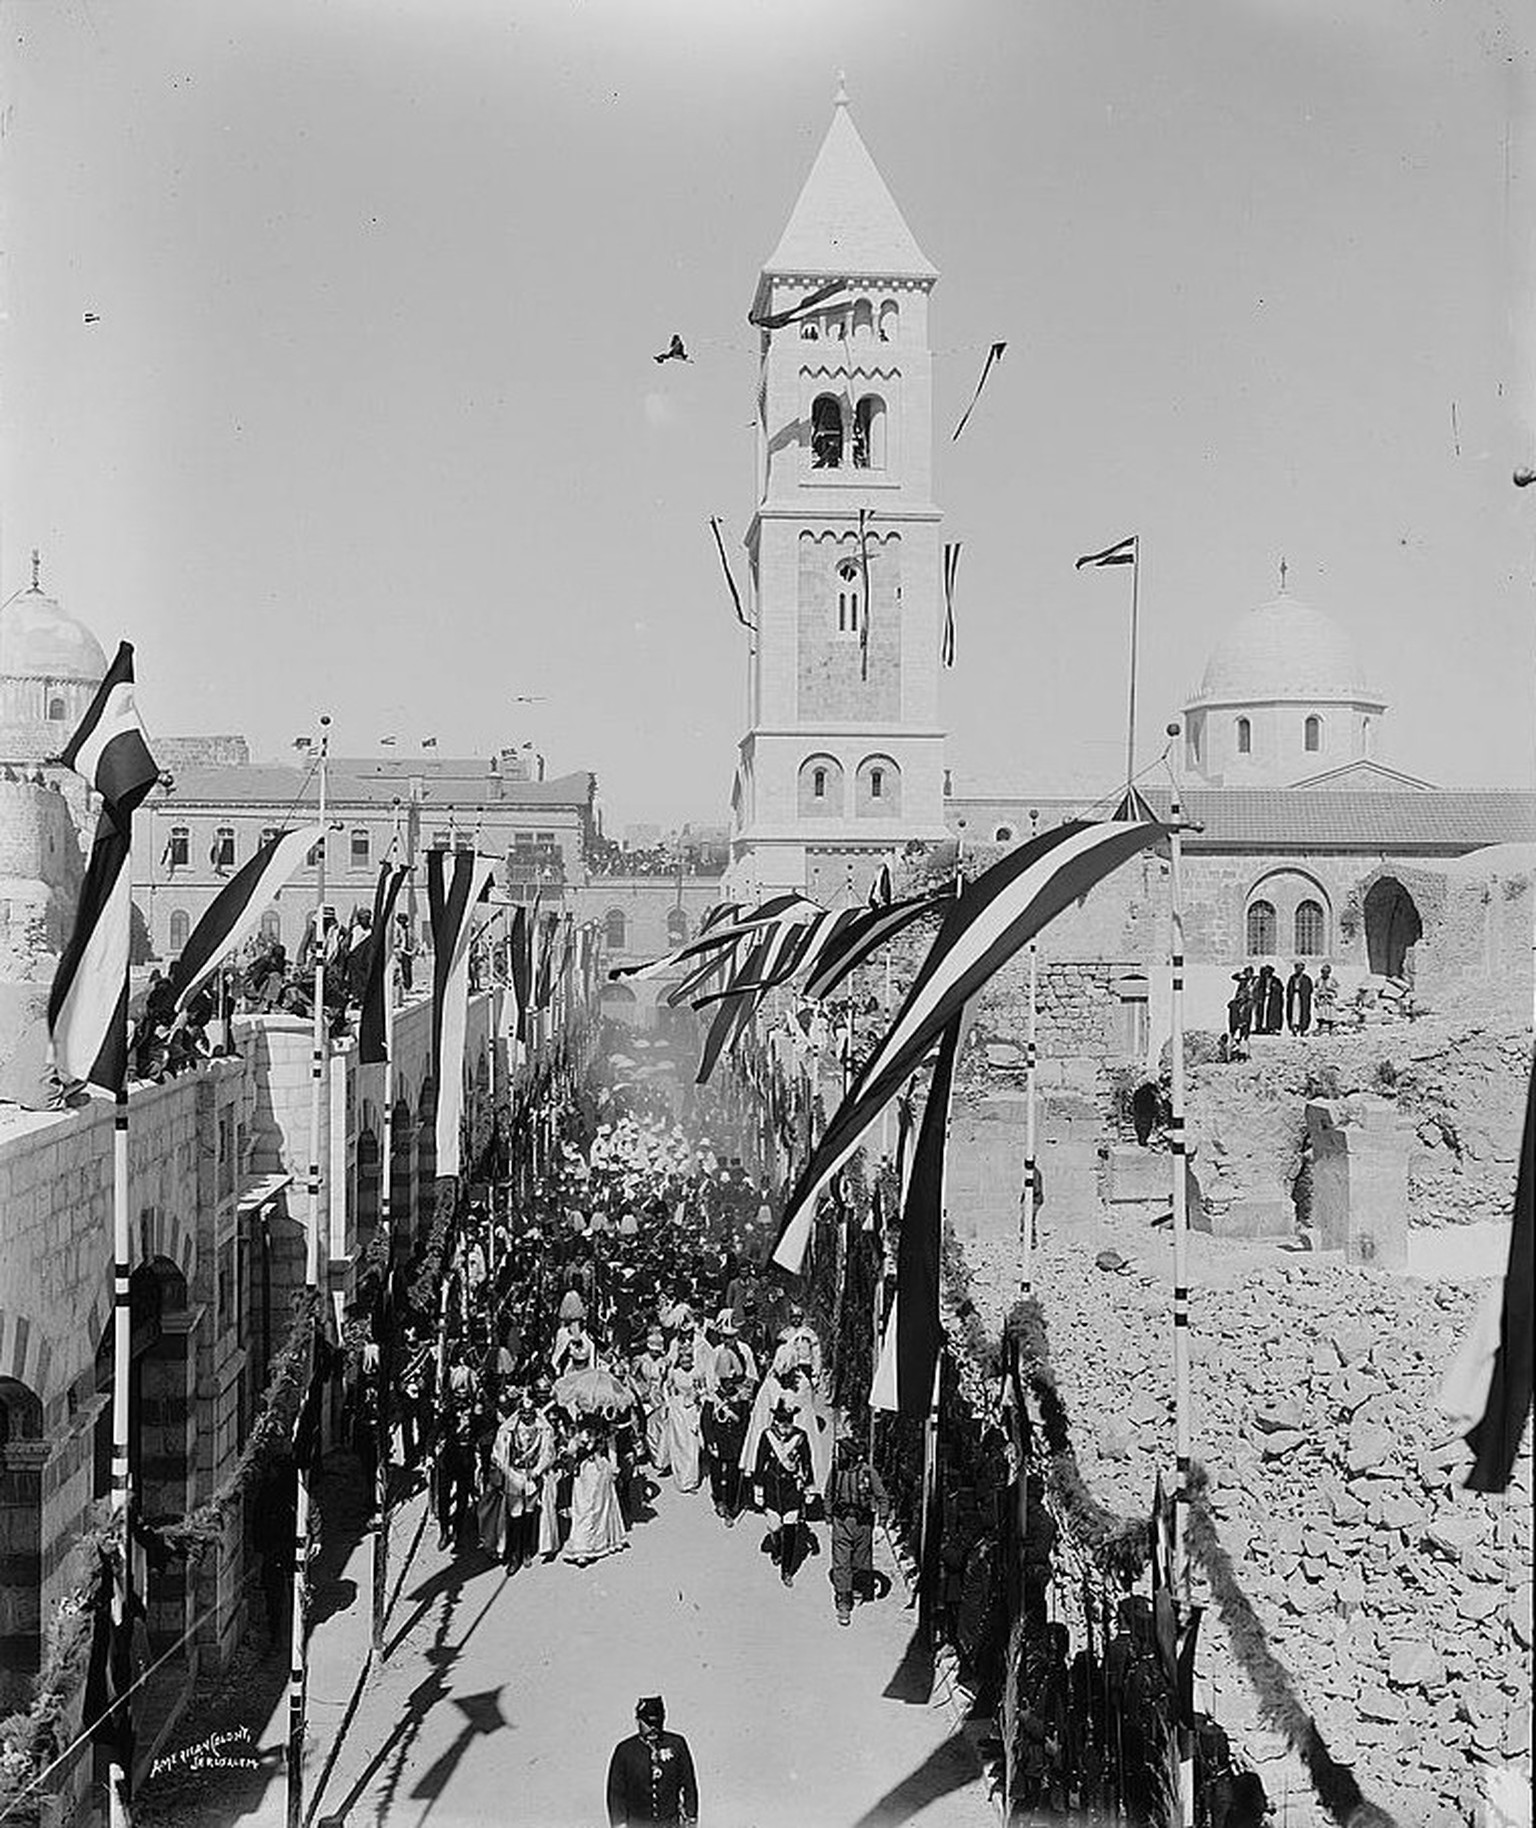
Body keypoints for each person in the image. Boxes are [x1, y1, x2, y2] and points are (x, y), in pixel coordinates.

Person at [826, 1422, 888, 1625]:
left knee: (861, 1561)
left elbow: (882, 1497)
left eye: (842, 1453)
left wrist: (881, 1523)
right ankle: (844, 1600)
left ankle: (859, 1588)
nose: (839, 1456)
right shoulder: (836, 1471)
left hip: (863, 1523)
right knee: (841, 1561)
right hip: (841, 1521)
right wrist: (828, 1517)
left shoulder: (868, 1473)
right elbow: (828, 1494)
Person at [605, 1696, 699, 1828]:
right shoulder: (624, 1751)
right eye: (648, 1724)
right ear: (638, 1720)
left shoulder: (677, 1744)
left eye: (657, 1723)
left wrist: (691, 1817)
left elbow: (689, 1785)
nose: (653, 1728)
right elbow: (616, 1793)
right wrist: (619, 1824)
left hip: (670, 1823)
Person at [753, 1398, 815, 1586]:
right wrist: (758, 1488)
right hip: (772, 1487)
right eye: (782, 1424)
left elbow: (806, 1462)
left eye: (789, 1423)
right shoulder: (767, 1436)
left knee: (790, 1531)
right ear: (776, 1423)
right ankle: (776, 1547)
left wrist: (809, 1487)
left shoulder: (800, 1437)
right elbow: (759, 1462)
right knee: (774, 1527)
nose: (786, 1428)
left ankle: (787, 1570)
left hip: (791, 1489)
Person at [564, 1420, 629, 1566]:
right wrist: (582, 1444)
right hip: (583, 1474)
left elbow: (612, 1449)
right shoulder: (578, 1428)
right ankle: (581, 1548)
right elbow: (571, 1450)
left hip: (600, 1472)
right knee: (583, 1510)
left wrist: (614, 1468)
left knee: (600, 1509)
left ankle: (597, 1544)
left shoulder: (607, 1429)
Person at [1286, 960, 1314, 1036]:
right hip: (1294, 998)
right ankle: (1294, 1028)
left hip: (1303, 998)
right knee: (1293, 1013)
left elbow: (1310, 989)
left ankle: (1303, 1029)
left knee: (1304, 1012)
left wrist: (1304, 994)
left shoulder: (1306, 979)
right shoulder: (1292, 978)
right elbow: (1288, 989)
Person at [1313, 961, 1339, 1034]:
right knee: (1321, 1013)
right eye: (1324, 972)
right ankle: (1320, 1028)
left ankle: (1331, 1028)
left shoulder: (1332, 980)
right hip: (1321, 999)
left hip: (1329, 999)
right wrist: (1317, 996)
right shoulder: (1318, 980)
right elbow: (1316, 989)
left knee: (1330, 1013)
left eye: (1327, 972)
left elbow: (1336, 989)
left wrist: (1330, 992)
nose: (1325, 973)